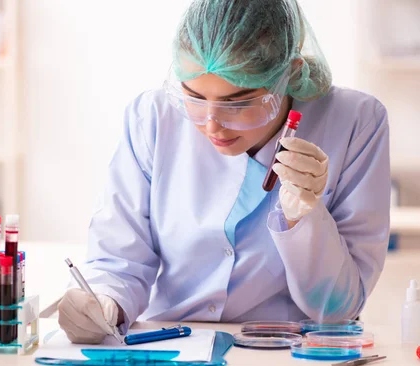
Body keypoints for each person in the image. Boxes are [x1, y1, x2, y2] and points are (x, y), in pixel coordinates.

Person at [58, 0, 390, 344]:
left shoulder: (356, 123)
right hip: (171, 346)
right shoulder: (153, 118)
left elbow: (338, 309)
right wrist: (103, 301)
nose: (212, 124)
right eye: (194, 97)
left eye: (238, 103)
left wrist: (304, 220)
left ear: (288, 73)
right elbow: (118, 260)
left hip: (289, 356)